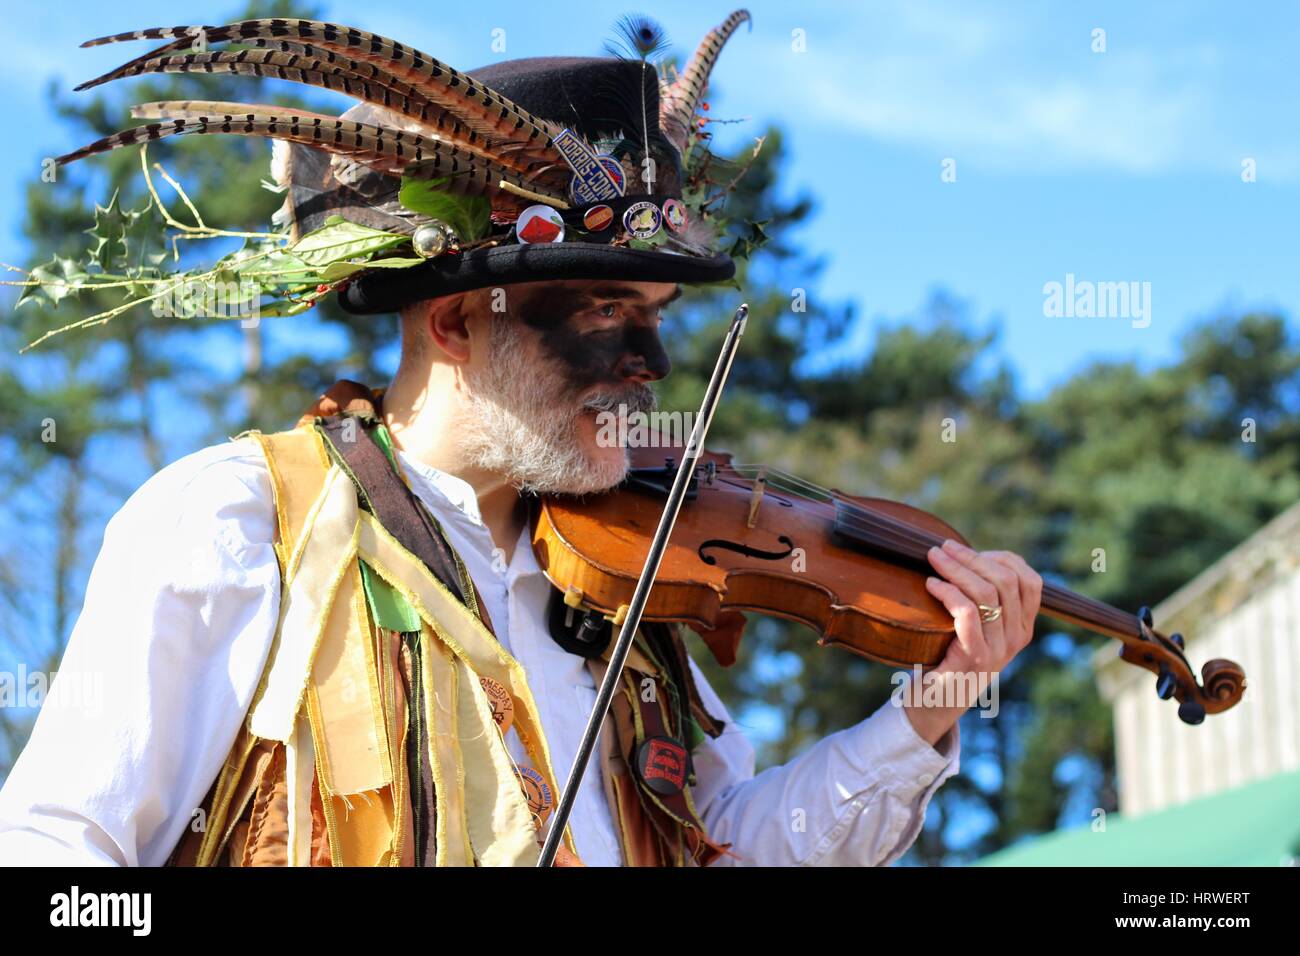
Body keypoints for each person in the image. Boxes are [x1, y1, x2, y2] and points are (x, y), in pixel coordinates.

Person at [0, 11, 1041, 866]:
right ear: (454, 323)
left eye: (658, 315)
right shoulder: (232, 521)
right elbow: (58, 851)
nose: (652, 365)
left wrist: (932, 699)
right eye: (602, 313)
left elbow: (730, 849)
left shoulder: (635, 590)